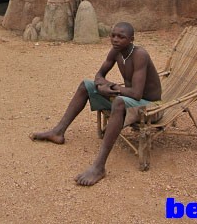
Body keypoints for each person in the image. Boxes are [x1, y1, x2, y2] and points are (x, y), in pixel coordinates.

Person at [31, 21, 161, 186]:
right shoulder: (116, 51)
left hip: (150, 106)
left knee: (119, 101)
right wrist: (101, 87)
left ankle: (99, 167)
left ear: (131, 39)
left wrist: (112, 87)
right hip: (129, 99)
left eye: (121, 37)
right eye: (113, 35)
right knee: (86, 85)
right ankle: (58, 131)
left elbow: (136, 93)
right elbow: (99, 76)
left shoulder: (140, 55)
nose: (115, 39)